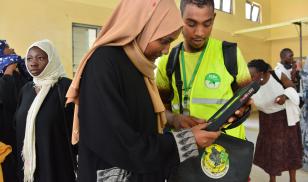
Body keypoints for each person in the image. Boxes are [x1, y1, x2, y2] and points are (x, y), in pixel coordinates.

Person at [65, 0, 223, 181]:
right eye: (164, 41)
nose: (166, 50)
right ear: (142, 28)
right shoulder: (104, 64)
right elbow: (119, 143)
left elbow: (139, 120)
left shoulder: (138, 64)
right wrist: (186, 141)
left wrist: (174, 120)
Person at [156, 0, 251, 139]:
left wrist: (243, 109)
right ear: (179, 18)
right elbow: (160, 109)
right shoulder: (167, 60)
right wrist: (174, 119)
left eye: (207, 24)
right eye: (191, 24)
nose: (199, 33)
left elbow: (246, 100)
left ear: (214, 18)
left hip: (225, 148)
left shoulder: (230, 54)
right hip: (186, 146)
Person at [15, 39, 76, 182]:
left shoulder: (65, 87)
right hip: (29, 170)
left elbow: (79, 126)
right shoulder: (26, 90)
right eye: (29, 58)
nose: (33, 63)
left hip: (58, 166)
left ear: (51, 60)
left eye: (40, 58)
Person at [248, 59, 302, 182]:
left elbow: (291, 87)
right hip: (266, 120)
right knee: (271, 150)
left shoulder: (276, 74)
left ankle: (292, 179)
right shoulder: (251, 83)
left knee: (290, 148)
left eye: (253, 75)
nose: (250, 77)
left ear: (261, 73)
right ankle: (272, 179)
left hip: (284, 118)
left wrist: (285, 96)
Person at [0, 40, 31, 182]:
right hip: (6, 133)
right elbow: (8, 100)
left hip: (23, 129)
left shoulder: (21, 72)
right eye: (6, 48)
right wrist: (8, 72)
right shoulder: (6, 76)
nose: (12, 49)